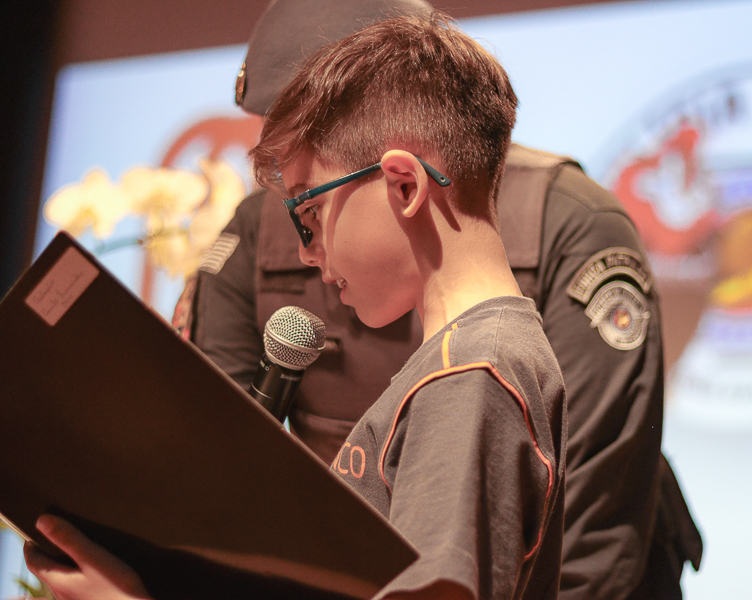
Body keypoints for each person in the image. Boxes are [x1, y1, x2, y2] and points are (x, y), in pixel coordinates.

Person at [26, 13, 566, 600]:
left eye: (308, 212)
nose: (308, 253)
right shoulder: (475, 360)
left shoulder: (469, 374)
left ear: (405, 186)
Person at [173, 1, 702, 598]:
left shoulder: (484, 349)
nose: (307, 247)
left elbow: (591, 530)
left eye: (310, 199)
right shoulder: (259, 233)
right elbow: (219, 459)